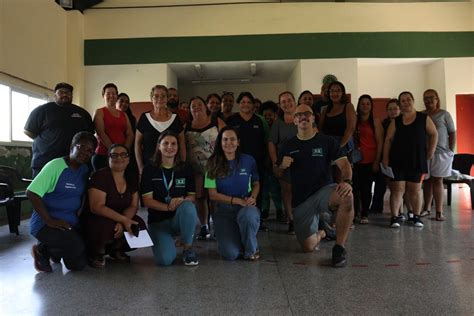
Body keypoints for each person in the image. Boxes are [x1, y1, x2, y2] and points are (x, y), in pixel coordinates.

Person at [276, 104, 353, 267]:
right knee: (308, 247)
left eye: (307, 114)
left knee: (347, 196)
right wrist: (282, 166)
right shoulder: (288, 145)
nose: (303, 117)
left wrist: (346, 182)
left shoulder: (327, 141)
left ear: (313, 118)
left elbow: (345, 165)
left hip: (324, 193)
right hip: (302, 202)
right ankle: (324, 232)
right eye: (299, 115)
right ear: (294, 120)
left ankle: (339, 248)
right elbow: (277, 173)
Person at [27, 131, 97, 273]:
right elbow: (32, 192)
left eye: (90, 151)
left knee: (79, 264)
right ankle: (42, 250)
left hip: (69, 222)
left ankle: (55, 251)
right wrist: (49, 220)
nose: (85, 152)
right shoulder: (55, 166)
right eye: (82, 147)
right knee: (76, 247)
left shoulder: (84, 170)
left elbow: (81, 196)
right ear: (72, 146)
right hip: (46, 223)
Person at [82, 144, 146, 268]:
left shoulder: (131, 177)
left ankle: (116, 249)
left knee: (139, 225)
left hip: (121, 216)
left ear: (128, 159)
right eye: (114, 155)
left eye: (123, 155)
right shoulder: (100, 176)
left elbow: (133, 205)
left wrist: (124, 221)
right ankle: (96, 252)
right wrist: (122, 220)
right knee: (105, 226)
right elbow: (97, 206)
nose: (119, 158)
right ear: (108, 158)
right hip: (98, 217)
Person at [141, 131, 199, 266]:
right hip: (158, 222)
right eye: (165, 143)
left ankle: (188, 248)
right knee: (164, 260)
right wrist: (168, 207)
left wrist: (180, 200)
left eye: (173, 143)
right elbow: (147, 201)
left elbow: (192, 197)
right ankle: (167, 241)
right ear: (158, 146)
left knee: (188, 207)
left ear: (178, 147)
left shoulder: (185, 168)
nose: (169, 147)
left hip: (178, 219)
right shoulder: (149, 169)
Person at [383, 91, 438, 228]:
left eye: (408, 99)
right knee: (397, 189)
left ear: (413, 100)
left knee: (415, 189)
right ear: (400, 104)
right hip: (397, 160)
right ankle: (395, 217)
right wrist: (385, 157)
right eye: (403, 100)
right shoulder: (396, 121)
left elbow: (434, 134)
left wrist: (430, 151)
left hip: (417, 159)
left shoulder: (423, 118)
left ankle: (416, 216)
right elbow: (388, 140)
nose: (406, 102)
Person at [205, 126, 261, 261]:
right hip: (223, 211)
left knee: (248, 216)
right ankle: (238, 240)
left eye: (232, 139)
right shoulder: (212, 163)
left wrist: (253, 197)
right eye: (225, 139)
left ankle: (251, 250)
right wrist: (236, 201)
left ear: (238, 142)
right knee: (231, 254)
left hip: (245, 207)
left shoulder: (248, 160)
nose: (228, 143)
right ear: (220, 142)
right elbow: (212, 195)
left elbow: (256, 183)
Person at [24, 82, 94, 178]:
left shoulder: (82, 113)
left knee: (73, 191)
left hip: (75, 163)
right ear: (55, 95)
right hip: (44, 161)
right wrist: (49, 142)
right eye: (61, 92)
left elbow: (89, 136)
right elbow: (29, 131)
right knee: (40, 191)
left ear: (72, 95)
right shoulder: (42, 110)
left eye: (68, 92)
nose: (65, 94)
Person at [226, 92, 269, 231]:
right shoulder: (232, 120)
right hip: (237, 161)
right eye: (243, 102)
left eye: (249, 102)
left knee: (258, 188)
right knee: (239, 187)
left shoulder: (259, 120)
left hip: (257, 162)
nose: (246, 105)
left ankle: (257, 218)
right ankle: (238, 216)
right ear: (238, 104)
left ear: (253, 105)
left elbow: (265, 141)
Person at [185, 96, 225, 240]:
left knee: (214, 198)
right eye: (193, 105)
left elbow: (227, 138)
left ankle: (217, 228)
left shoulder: (216, 121)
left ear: (205, 106)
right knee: (200, 197)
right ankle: (204, 226)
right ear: (189, 109)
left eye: (199, 104)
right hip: (196, 169)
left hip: (214, 167)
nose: (196, 107)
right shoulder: (186, 125)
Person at [421, 89, 456, 221]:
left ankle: (439, 212)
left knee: (437, 180)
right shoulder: (421, 115)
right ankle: (426, 209)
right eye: (425, 98)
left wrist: (451, 151)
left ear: (437, 99)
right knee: (427, 181)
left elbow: (452, 133)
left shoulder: (444, 114)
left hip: (441, 153)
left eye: (431, 97)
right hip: (425, 153)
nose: (428, 100)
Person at [135, 85, 186, 175]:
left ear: (167, 98)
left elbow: (182, 144)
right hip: (148, 167)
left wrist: (182, 166)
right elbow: (137, 144)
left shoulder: (175, 118)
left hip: (172, 167)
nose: (160, 99)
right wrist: (140, 167)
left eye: (163, 96)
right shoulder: (144, 118)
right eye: (156, 96)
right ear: (151, 98)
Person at [268, 91, 298, 233]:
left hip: (303, 163)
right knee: (286, 192)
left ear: (294, 101)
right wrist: (275, 163)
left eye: (289, 100)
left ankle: (305, 219)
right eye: (283, 102)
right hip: (284, 163)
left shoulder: (303, 118)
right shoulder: (278, 123)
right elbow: (271, 143)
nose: (287, 104)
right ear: (280, 105)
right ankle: (292, 220)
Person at [352, 95, 383, 224]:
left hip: (370, 160)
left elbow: (380, 142)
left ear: (371, 106)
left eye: (368, 104)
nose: (365, 106)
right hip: (355, 160)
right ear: (358, 105)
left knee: (366, 189)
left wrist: (377, 161)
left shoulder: (375, 121)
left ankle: (365, 213)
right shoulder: (354, 120)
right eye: (362, 104)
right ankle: (354, 213)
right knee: (354, 189)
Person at [92, 83, 134, 171]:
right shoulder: (99, 112)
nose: (111, 96)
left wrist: (123, 151)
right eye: (108, 94)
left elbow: (130, 133)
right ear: (103, 96)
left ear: (117, 95)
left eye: (114, 93)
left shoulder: (123, 114)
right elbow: (100, 133)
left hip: (121, 157)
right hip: (103, 155)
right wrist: (114, 151)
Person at [259, 101, 284, 223]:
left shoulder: (279, 127)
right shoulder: (260, 127)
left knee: (275, 189)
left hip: (275, 162)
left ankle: (280, 210)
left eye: (270, 115)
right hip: (263, 163)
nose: (268, 118)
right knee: (264, 189)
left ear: (275, 115)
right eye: (265, 115)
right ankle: (265, 210)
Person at [319, 81, 357, 156]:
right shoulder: (325, 110)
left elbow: (351, 128)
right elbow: (320, 129)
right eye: (332, 91)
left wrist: (339, 146)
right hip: (327, 146)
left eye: (338, 91)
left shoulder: (348, 106)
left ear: (343, 93)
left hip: (343, 145)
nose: (335, 93)